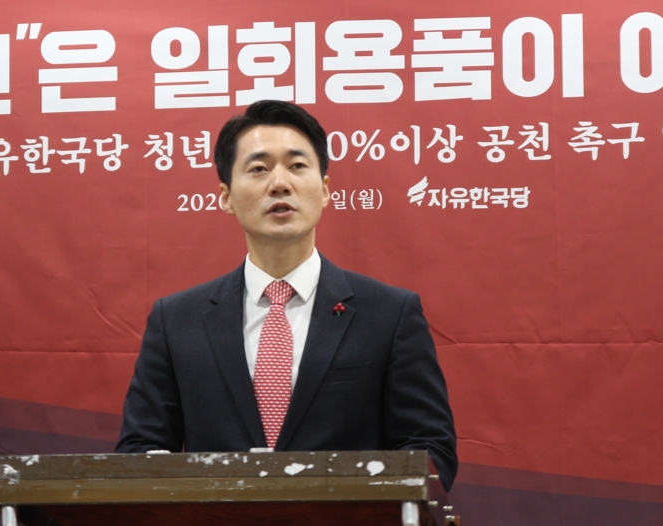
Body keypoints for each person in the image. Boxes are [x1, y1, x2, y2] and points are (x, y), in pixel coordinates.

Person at [116, 100, 458, 490]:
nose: (280, 183)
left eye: (297, 166)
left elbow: (430, 450)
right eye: (258, 169)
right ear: (226, 196)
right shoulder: (177, 320)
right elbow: (139, 449)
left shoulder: (389, 314)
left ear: (325, 190)